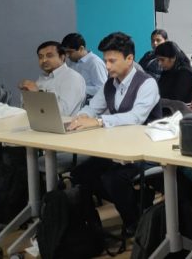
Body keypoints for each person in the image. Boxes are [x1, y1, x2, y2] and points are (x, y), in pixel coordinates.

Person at [67, 32, 161, 235]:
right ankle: (92, 226)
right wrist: (80, 117)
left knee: (112, 179)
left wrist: (99, 121)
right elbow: (93, 107)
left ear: (129, 58)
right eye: (105, 61)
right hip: (118, 149)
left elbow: (136, 117)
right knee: (80, 174)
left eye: (112, 61)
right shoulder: (110, 84)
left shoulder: (147, 83)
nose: (107, 66)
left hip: (145, 151)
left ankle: (135, 224)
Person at [18, 41, 86, 117]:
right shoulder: (43, 79)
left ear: (62, 57)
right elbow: (27, 109)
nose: (44, 60)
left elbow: (63, 113)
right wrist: (27, 94)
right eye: (40, 57)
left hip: (64, 124)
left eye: (49, 56)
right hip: (38, 121)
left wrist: (37, 94)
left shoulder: (72, 78)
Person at [61, 32, 108, 99]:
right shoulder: (72, 61)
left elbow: (102, 89)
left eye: (70, 52)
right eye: (65, 52)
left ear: (81, 49)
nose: (67, 55)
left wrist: (78, 88)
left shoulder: (95, 62)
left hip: (91, 102)